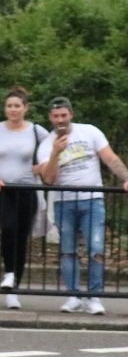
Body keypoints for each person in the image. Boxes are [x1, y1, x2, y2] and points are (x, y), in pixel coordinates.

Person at [36, 96, 128, 314]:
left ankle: (94, 296)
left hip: (92, 199)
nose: (60, 120)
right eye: (56, 116)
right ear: (50, 118)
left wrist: (126, 177)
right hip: (64, 202)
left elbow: (110, 159)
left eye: (64, 116)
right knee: (68, 250)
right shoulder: (46, 144)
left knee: (96, 248)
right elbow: (49, 179)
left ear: (71, 115)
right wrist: (56, 153)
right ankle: (73, 295)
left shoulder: (90, 132)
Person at [0, 87, 48, 309]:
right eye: (9, 106)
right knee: (8, 227)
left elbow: (52, 153)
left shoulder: (37, 131)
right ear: (5, 108)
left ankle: (13, 287)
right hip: (1, 190)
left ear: (25, 108)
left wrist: (38, 169)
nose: (13, 109)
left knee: (20, 238)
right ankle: (8, 273)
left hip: (27, 191)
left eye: (17, 106)